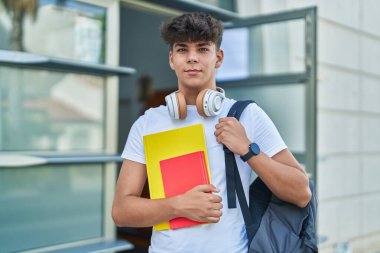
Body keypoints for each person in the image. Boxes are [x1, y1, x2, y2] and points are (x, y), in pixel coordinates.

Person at [112, 12, 311, 253]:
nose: (192, 58)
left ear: (218, 58)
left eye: (203, 49)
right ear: (171, 59)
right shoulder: (147, 123)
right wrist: (179, 206)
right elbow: (122, 211)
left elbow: (301, 193)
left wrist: (248, 150)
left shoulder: (247, 115)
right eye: (183, 49)